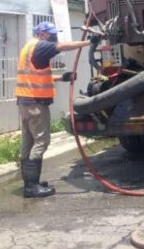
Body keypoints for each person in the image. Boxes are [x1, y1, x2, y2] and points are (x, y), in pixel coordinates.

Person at [16, 21, 99, 198]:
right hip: (36, 104)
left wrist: (63, 77)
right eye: (50, 34)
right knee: (41, 141)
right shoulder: (40, 46)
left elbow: (38, 76)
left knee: (28, 142)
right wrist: (89, 42)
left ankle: (31, 183)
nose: (53, 37)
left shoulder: (28, 48)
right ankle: (31, 187)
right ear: (42, 34)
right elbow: (62, 46)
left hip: (25, 102)